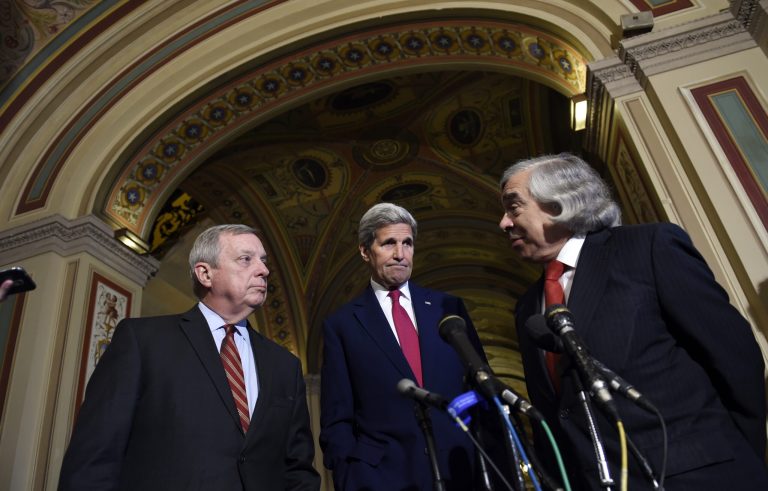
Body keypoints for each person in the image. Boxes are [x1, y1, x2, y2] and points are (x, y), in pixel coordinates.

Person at [498, 152, 768, 489]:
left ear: (558, 203)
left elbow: (734, 356)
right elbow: (553, 413)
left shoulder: (649, 247)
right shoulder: (527, 307)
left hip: (703, 474)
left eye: (514, 206)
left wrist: (742, 451)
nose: (504, 223)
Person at [59, 224, 320, 490]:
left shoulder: (285, 365)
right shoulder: (143, 341)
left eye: (263, 262)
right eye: (246, 259)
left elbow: (298, 469)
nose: (264, 270)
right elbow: (94, 459)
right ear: (205, 273)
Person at [320, 203, 487, 491]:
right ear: (365, 251)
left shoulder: (447, 307)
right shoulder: (342, 325)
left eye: (407, 243)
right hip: (381, 478)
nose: (400, 254)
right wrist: (350, 476)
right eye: (389, 243)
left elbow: (482, 386)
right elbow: (337, 418)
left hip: (460, 470)